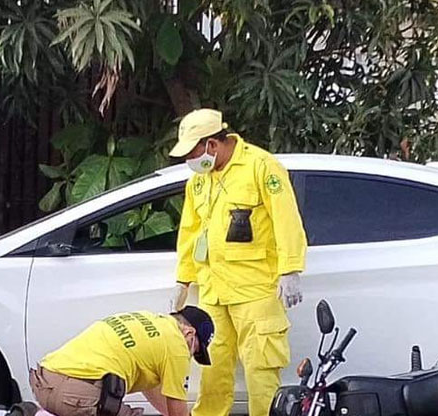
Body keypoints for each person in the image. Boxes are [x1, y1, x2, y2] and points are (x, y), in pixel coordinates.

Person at [168, 108, 307, 416]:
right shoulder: (200, 181)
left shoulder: (262, 167)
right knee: (212, 367)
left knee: (261, 369)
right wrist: (183, 278)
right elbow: (191, 231)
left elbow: (287, 221)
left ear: (212, 145)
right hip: (214, 291)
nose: (190, 162)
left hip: (256, 290)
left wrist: (291, 269)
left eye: (192, 154)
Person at [31, 307, 215, 416]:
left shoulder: (149, 321)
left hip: (44, 381)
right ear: (189, 333)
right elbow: (177, 411)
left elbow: (149, 386)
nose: (190, 356)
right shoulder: (177, 345)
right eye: (195, 350)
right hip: (76, 397)